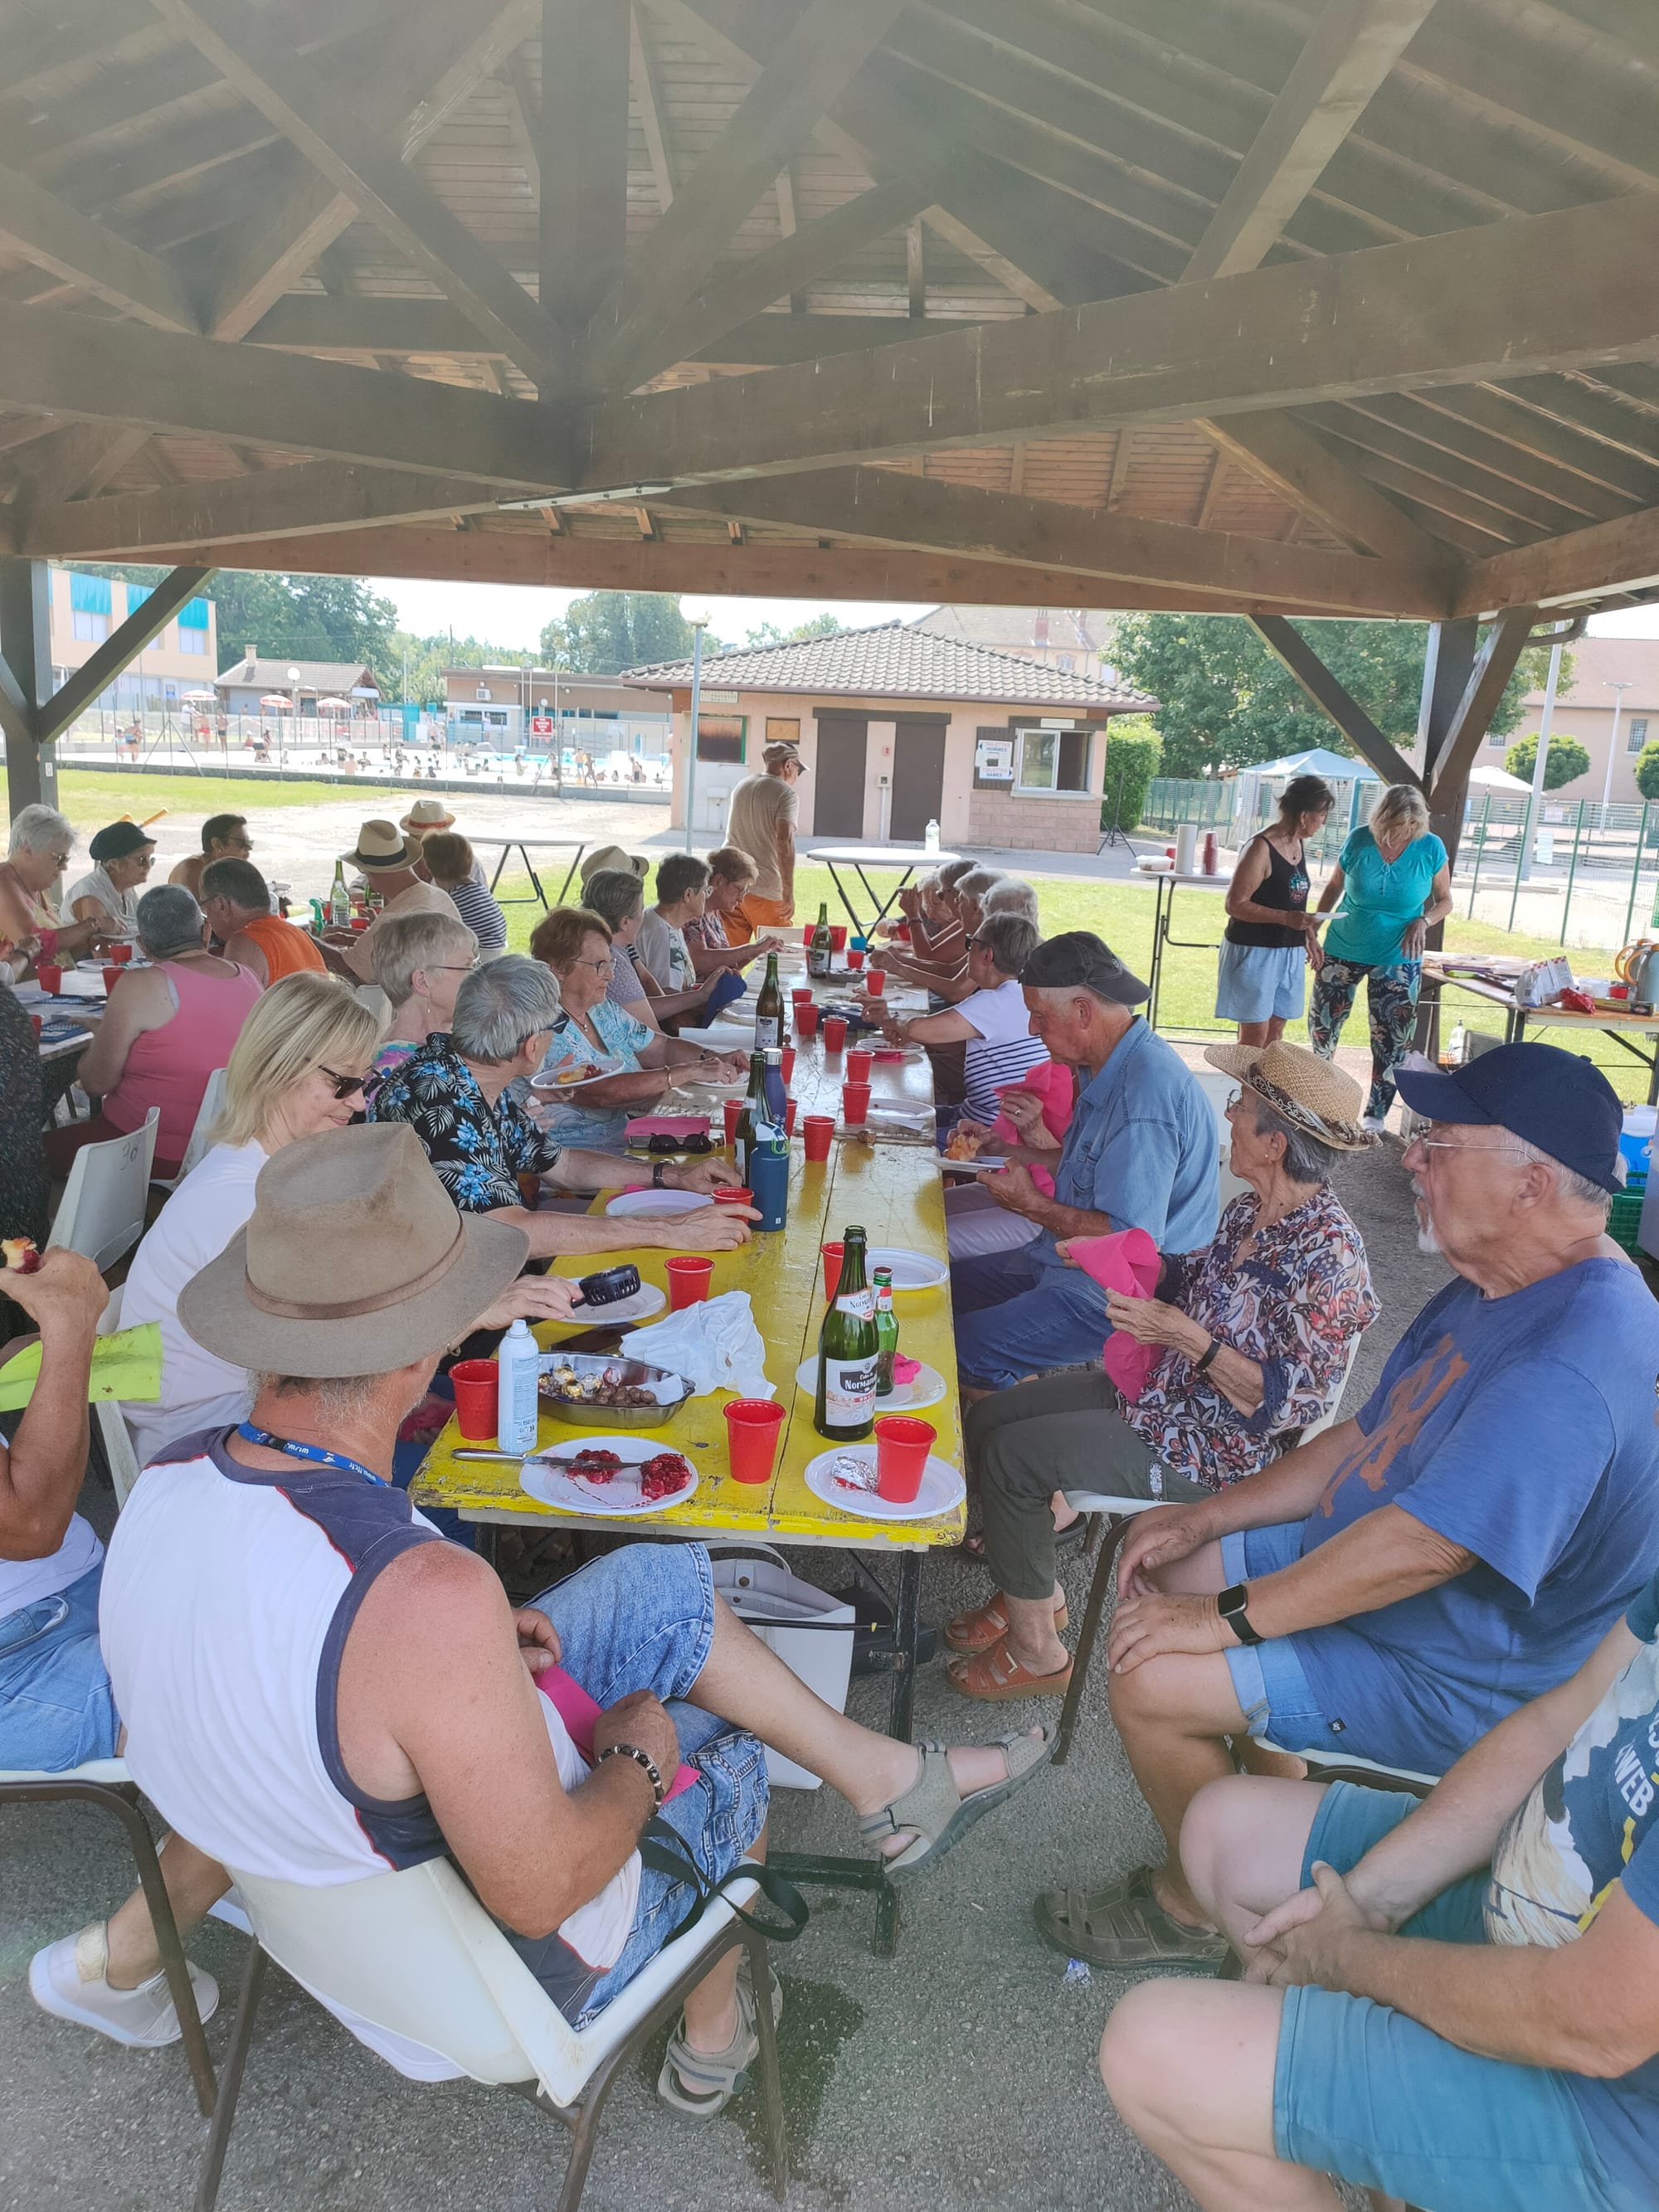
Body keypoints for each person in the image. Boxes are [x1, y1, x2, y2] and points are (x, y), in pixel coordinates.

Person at [80, 1125, 1053, 2106]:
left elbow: (209, 1693)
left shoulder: (168, 1483)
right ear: (427, 1345)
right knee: (727, 1751)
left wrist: (443, 1663)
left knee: (660, 1582)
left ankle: (888, 1777)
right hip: (496, 1977)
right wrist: (637, 1755)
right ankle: (713, 2037)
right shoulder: (418, 1594)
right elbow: (543, 1892)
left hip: (331, 1915)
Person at [1036, 1040, 1659, 1974]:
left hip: (1453, 1668)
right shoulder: (1501, 1278)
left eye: (1439, 1139)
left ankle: (1194, 1904)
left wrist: (1220, 1624)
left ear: (1528, 1184)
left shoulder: (1571, 1359)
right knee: (1157, 1551)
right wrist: (1209, 1517)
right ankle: (1270, 1811)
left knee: (1149, 1672)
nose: (1409, 1155)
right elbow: (1364, 1436)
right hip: (1383, 1581)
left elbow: (1420, 1553)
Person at [1104, 1589, 1659, 2212]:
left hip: (1610, 2116)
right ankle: (1395, 2174)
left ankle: (1396, 2139)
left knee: (1151, 2052)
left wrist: (1349, 1957)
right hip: (1528, 1899)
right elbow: (1569, 1716)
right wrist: (1367, 1897)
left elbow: (1592, 2023)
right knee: (1220, 1832)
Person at [946, 1043, 1377, 1701]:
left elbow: (1292, 1407)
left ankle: (1038, 1648)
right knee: (994, 1416)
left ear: (1274, 1145)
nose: (1229, 1115)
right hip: (1164, 1397)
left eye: (1243, 1106)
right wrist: (1108, 1253)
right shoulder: (1251, 1209)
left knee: (1013, 1455)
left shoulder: (1331, 1257)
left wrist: (1188, 1338)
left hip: (1220, 1452)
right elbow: (1189, 1278)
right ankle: (1033, 1590)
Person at [951, 933, 1219, 1392]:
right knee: (941, 1287)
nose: (1033, 1029)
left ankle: (1015, 1440)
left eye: (1038, 1016)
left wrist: (1030, 1205)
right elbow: (1085, 1167)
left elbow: (1130, 1240)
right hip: (1062, 1258)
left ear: (1082, 1012)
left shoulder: (1142, 1097)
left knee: (964, 1345)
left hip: (1120, 1294)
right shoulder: (1111, 1063)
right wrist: (1010, 1151)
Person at [369, 955, 752, 1260]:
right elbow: (516, 1231)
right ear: (532, 1047)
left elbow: (562, 1164)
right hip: (439, 1295)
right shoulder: (442, 1101)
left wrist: (672, 1177)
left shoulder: (461, 1069)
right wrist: (669, 1229)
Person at [46, 886, 263, 1181]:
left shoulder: (140, 984)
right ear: (206, 931)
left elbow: (96, 1083)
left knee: (29, 1153)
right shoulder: (247, 976)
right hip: (230, 1147)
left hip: (146, 1150)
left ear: (142, 945)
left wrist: (101, 1039)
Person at [527, 908, 745, 1151]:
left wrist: (711, 1058)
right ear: (558, 968)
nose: (610, 975)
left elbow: (660, 1047)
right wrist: (688, 1072)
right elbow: (600, 1093)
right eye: (600, 965)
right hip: (579, 1160)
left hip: (628, 1139)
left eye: (611, 963)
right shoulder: (547, 1027)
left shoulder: (601, 1009)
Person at [1308, 781, 1452, 1130]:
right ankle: (1320, 1102)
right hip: (1344, 946)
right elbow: (1334, 885)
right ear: (1381, 819)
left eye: (1410, 827)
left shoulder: (1430, 847)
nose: (1403, 833)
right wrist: (1314, 922)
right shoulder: (1359, 839)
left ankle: (1376, 1114)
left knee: (1392, 1037)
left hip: (1399, 956)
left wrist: (1424, 919)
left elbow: (1445, 899)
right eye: (1397, 826)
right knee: (1323, 1028)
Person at [877, 911, 1047, 1125]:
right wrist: (897, 1026)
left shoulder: (995, 1001)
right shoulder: (1019, 993)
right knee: (890, 1115)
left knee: (885, 1125)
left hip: (989, 1131)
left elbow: (917, 1029)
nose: (967, 951)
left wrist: (893, 1020)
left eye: (970, 943)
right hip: (978, 1116)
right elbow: (947, 1039)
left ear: (987, 956)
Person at [1218, 774, 1334, 1048]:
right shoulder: (1261, 847)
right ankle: (1247, 1092)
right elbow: (1235, 904)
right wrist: (1286, 919)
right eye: (1322, 816)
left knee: (1275, 1033)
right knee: (1254, 1036)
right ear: (1305, 816)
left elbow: (1293, 903)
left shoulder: (1298, 844)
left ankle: (1264, 1091)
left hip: (1288, 950)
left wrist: (1309, 936)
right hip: (1256, 951)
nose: (1324, 823)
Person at [319, 820, 460, 985]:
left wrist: (302, 939)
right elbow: (400, 949)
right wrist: (357, 939)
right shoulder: (438, 896)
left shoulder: (396, 916)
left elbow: (348, 970)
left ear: (374, 873)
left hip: (404, 1006)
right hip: (445, 997)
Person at [367, 910, 479, 1079]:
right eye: (467, 967)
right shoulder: (400, 1069)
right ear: (423, 982)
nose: (477, 976)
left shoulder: (440, 1045)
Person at [0, 805, 109, 978]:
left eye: (66, 859)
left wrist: (89, 940)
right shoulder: (3, 883)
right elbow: (34, 944)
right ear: (28, 849)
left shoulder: (39, 889)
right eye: (58, 858)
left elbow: (60, 954)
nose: (64, 866)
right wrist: (92, 925)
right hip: (22, 998)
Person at [723, 741, 805, 943]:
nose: (797, 776)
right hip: (765, 887)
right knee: (778, 955)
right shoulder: (786, 793)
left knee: (729, 956)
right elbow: (783, 841)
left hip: (730, 883)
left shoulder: (742, 786)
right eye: (798, 770)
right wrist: (788, 892)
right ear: (788, 766)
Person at [199, 857, 325, 984]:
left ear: (222, 905)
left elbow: (230, 1002)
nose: (207, 918)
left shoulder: (244, 943)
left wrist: (199, 958)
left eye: (205, 908)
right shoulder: (298, 934)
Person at [683, 846, 785, 980]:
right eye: (738, 889)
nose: (741, 899)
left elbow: (728, 965)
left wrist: (758, 951)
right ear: (718, 881)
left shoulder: (714, 913)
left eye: (745, 892)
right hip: (699, 999)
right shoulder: (693, 913)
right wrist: (752, 948)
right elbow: (699, 961)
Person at [419, 831, 508, 955]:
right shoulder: (477, 888)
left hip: (477, 958)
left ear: (429, 867)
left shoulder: (451, 901)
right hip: (492, 952)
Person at [66, 821, 156, 939]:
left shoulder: (126, 888)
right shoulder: (91, 895)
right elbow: (99, 951)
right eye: (141, 859)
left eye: (150, 859)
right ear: (114, 863)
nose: (148, 865)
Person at [168, 814, 251, 902]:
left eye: (249, 842)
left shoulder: (228, 871)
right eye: (241, 842)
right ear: (217, 844)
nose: (249, 848)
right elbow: (196, 913)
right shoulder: (192, 868)